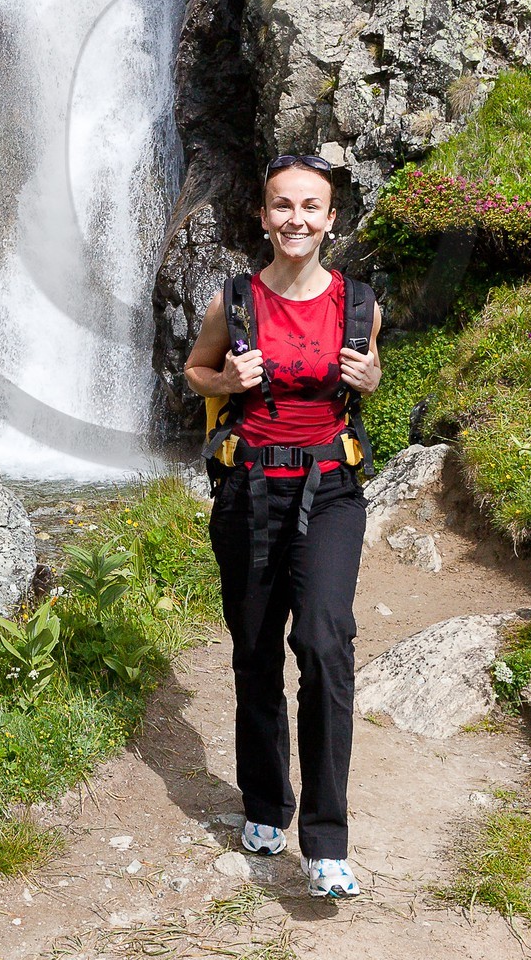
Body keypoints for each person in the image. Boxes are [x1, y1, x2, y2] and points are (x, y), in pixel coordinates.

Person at [183, 153, 381, 899]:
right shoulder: (231, 302)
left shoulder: (359, 302)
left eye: (310, 206)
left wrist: (372, 378)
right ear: (263, 217)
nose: (295, 218)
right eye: (280, 205)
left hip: (330, 490)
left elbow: (366, 374)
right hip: (249, 488)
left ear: (331, 219)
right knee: (257, 650)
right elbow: (196, 370)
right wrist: (224, 381)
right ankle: (265, 802)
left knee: (324, 643)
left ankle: (326, 840)